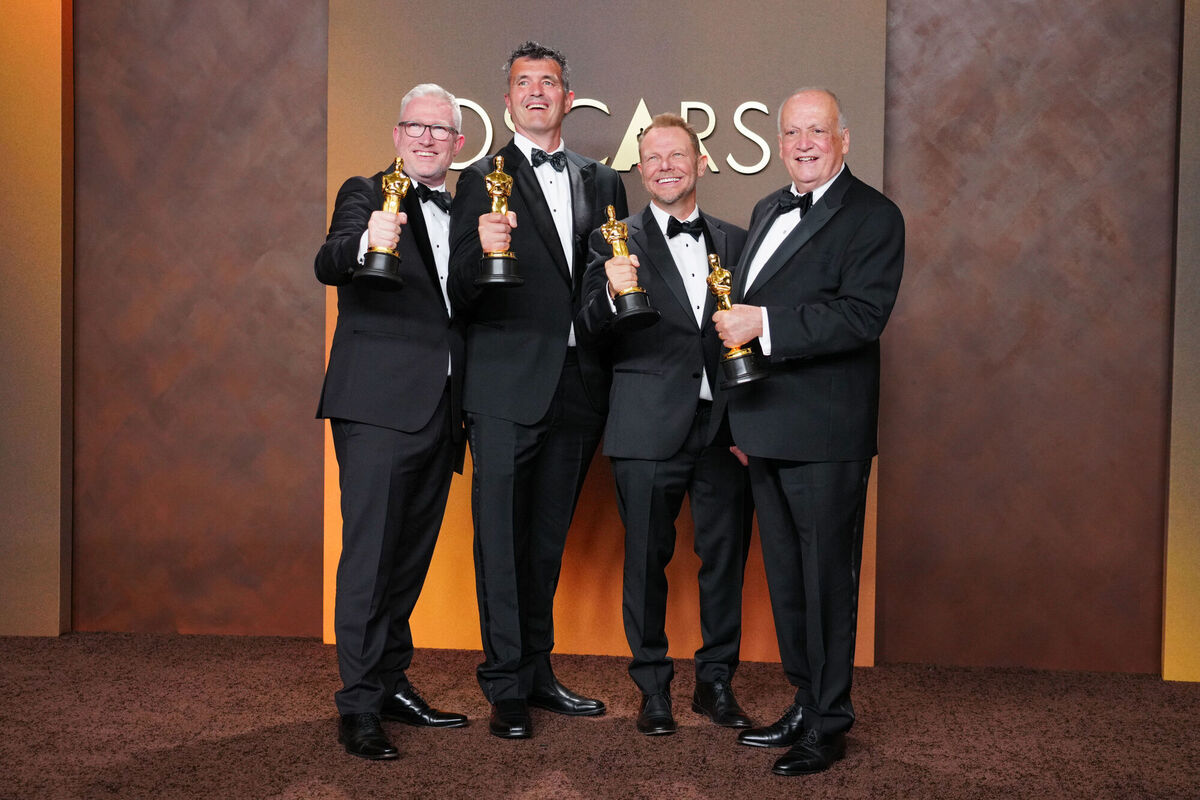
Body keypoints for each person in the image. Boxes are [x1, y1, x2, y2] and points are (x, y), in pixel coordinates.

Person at [712, 88, 904, 775]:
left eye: (816, 131)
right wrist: (737, 416)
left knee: (825, 579)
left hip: (827, 434)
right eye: (792, 131)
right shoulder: (768, 208)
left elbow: (861, 316)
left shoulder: (875, 217)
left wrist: (765, 324)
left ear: (842, 140)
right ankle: (803, 700)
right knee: (788, 580)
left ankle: (830, 721)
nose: (802, 143)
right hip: (764, 427)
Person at [448, 41, 627, 740]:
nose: (536, 91)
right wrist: (476, 247)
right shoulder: (475, 180)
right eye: (524, 82)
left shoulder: (603, 180)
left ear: (568, 97)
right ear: (506, 100)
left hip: (577, 387)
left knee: (547, 539)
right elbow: (458, 287)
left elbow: (606, 279)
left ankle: (537, 671)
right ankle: (504, 686)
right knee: (499, 537)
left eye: (548, 82)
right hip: (502, 387)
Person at [576, 114, 754, 737]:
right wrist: (606, 292)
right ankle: (653, 687)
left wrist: (749, 428)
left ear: (700, 163)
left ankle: (715, 684)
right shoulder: (611, 239)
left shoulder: (737, 240)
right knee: (646, 563)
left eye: (677, 155)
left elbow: (750, 339)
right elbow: (591, 328)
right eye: (653, 159)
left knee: (724, 560)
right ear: (641, 170)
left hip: (723, 430)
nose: (666, 167)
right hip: (646, 427)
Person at [315, 83, 469, 760]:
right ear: (397, 133)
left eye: (441, 131)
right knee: (370, 560)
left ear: (458, 143)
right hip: (377, 408)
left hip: (442, 410)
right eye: (417, 126)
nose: (428, 138)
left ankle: (390, 680)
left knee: (409, 558)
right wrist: (363, 243)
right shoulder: (364, 191)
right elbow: (329, 258)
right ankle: (358, 706)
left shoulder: (468, 213)